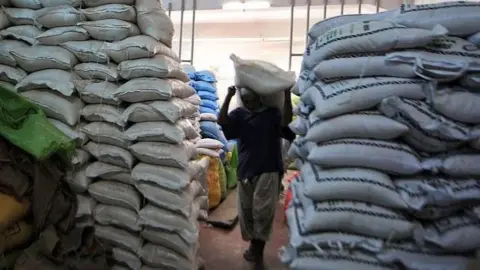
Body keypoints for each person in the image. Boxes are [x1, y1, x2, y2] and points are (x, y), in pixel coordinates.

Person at [218, 86, 295, 268]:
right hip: (246, 169)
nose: (249, 104)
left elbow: (287, 123)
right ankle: (254, 248)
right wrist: (228, 97)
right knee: (247, 212)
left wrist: (286, 94)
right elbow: (222, 122)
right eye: (246, 101)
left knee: (263, 213)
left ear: (260, 98)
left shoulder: (273, 114)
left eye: (252, 100)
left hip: (268, 169)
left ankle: (258, 255)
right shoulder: (240, 114)